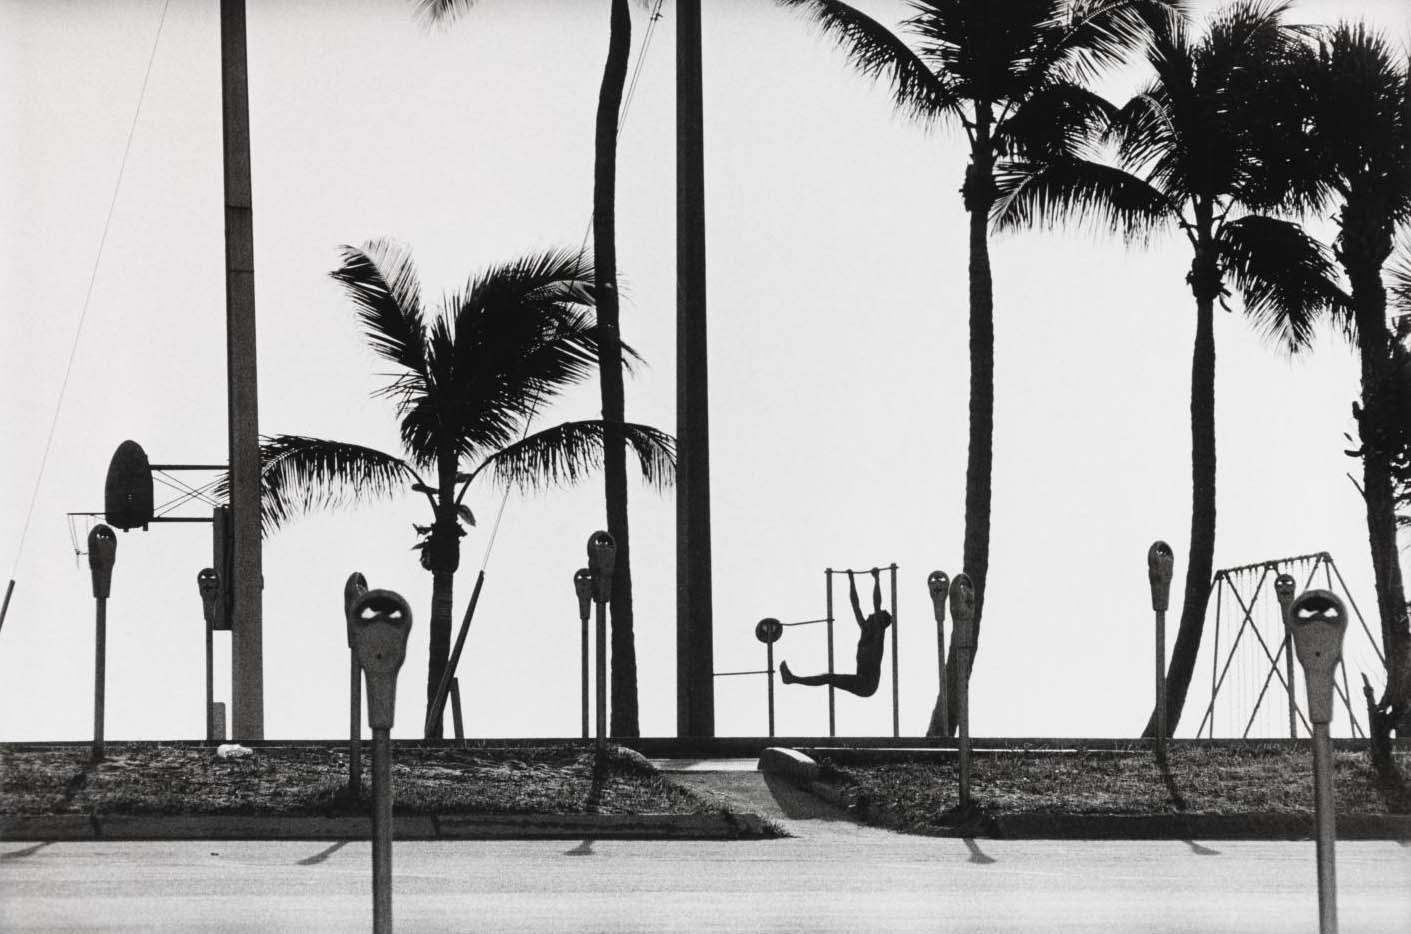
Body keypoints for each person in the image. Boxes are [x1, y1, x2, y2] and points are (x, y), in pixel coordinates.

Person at [780, 568, 891, 697]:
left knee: (828, 677)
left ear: (879, 621)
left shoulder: (878, 634)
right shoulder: (865, 629)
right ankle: (792, 679)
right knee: (828, 678)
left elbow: (876, 604)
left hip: (867, 684)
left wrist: (877, 579)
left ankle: (792, 679)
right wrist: (851, 580)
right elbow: (856, 606)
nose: (870, 615)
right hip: (862, 681)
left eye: (874, 615)